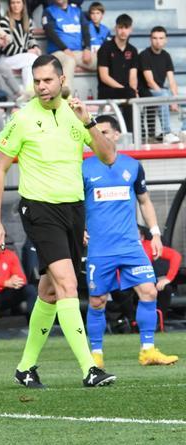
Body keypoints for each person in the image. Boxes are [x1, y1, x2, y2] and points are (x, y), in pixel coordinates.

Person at [0, 55, 118, 389]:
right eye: (37, 81)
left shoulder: (76, 115)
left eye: (47, 80)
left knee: (49, 291)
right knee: (68, 285)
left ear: (62, 80)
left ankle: (26, 367)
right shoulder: (22, 119)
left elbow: (108, 156)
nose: (42, 86)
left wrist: (88, 122)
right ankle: (90, 368)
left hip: (73, 211)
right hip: (39, 209)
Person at [82, 115, 178, 367]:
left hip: (130, 246)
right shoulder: (83, 167)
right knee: (97, 301)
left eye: (103, 132)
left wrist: (155, 233)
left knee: (148, 291)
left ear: (115, 135)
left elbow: (144, 201)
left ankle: (147, 350)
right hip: (100, 247)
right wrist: (77, 228)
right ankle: (95, 356)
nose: (98, 136)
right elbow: (73, 204)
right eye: (95, 132)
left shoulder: (133, 166)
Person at [139, 26, 182, 143]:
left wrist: (174, 100)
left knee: (178, 96)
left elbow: (172, 80)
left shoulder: (166, 56)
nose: (158, 41)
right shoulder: (144, 55)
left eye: (161, 38)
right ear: (150, 39)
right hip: (145, 91)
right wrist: (166, 98)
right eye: (155, 38)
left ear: (166, 40)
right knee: (164, 93)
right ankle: (167, 132)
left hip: (160, 91)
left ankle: (183, 130)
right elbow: (150, 81)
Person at [96, 14, 137, 132]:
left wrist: (133, 89)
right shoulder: (105, 48)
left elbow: (133, 76)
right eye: (120, 28)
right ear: (115, 29)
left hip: (125, 90)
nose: (123, 31)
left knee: (137, 94)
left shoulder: (132, 50)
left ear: (131, 29)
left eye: (126, 28)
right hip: (107, 90)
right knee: (129, 93)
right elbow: (104, 77)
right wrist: (125, 89)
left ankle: (136, 135)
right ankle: (128, 134)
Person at [43, 0, 93, 86]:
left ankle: (121, 93)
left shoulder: (77, 11)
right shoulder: (48, 11)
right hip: (58, 52)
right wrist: (64, 48)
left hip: (78, 52)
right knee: (69, 61)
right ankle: (65, 96)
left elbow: (86, 31)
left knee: (103, 59)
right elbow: (49, 32)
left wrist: (87, 48)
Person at [0, 0, 39, 92]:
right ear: (9, 5)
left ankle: (27, 93)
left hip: (22, 58)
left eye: (18, 2)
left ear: (23, 4)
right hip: (7, 59)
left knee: (29, 67)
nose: (15, 5)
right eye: (13, 3)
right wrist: (27, 51)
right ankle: (29, 93)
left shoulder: (28, 21)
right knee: (32, 58)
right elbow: (7, 49)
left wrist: (35, 47)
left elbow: (31, 38)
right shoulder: (4, 22)